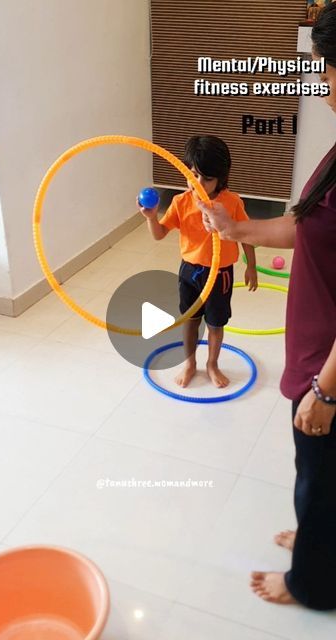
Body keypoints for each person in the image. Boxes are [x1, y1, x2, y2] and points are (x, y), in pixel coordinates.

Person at [197, 4, 336, 610]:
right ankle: (317, 541)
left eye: (329, 67)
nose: (324, 80)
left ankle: (314, 583)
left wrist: (327, 390)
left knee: (322, 481)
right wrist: (237, 229)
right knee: (318, 482)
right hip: (314, 353)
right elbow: (309, 228)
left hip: (328, 370)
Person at [138, 135, 258, 388]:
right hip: (190, 271)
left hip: (220, 273)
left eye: (207, 178)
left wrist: (251, 266)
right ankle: (190, 363)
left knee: (215, 322)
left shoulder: (231, 202)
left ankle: (212, 364)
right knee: (190, 319)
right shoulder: (181, 202)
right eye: (193, 175)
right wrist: (150, 217)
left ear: (221, 178)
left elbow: (246, 234)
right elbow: (159, 235)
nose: (199, 184)